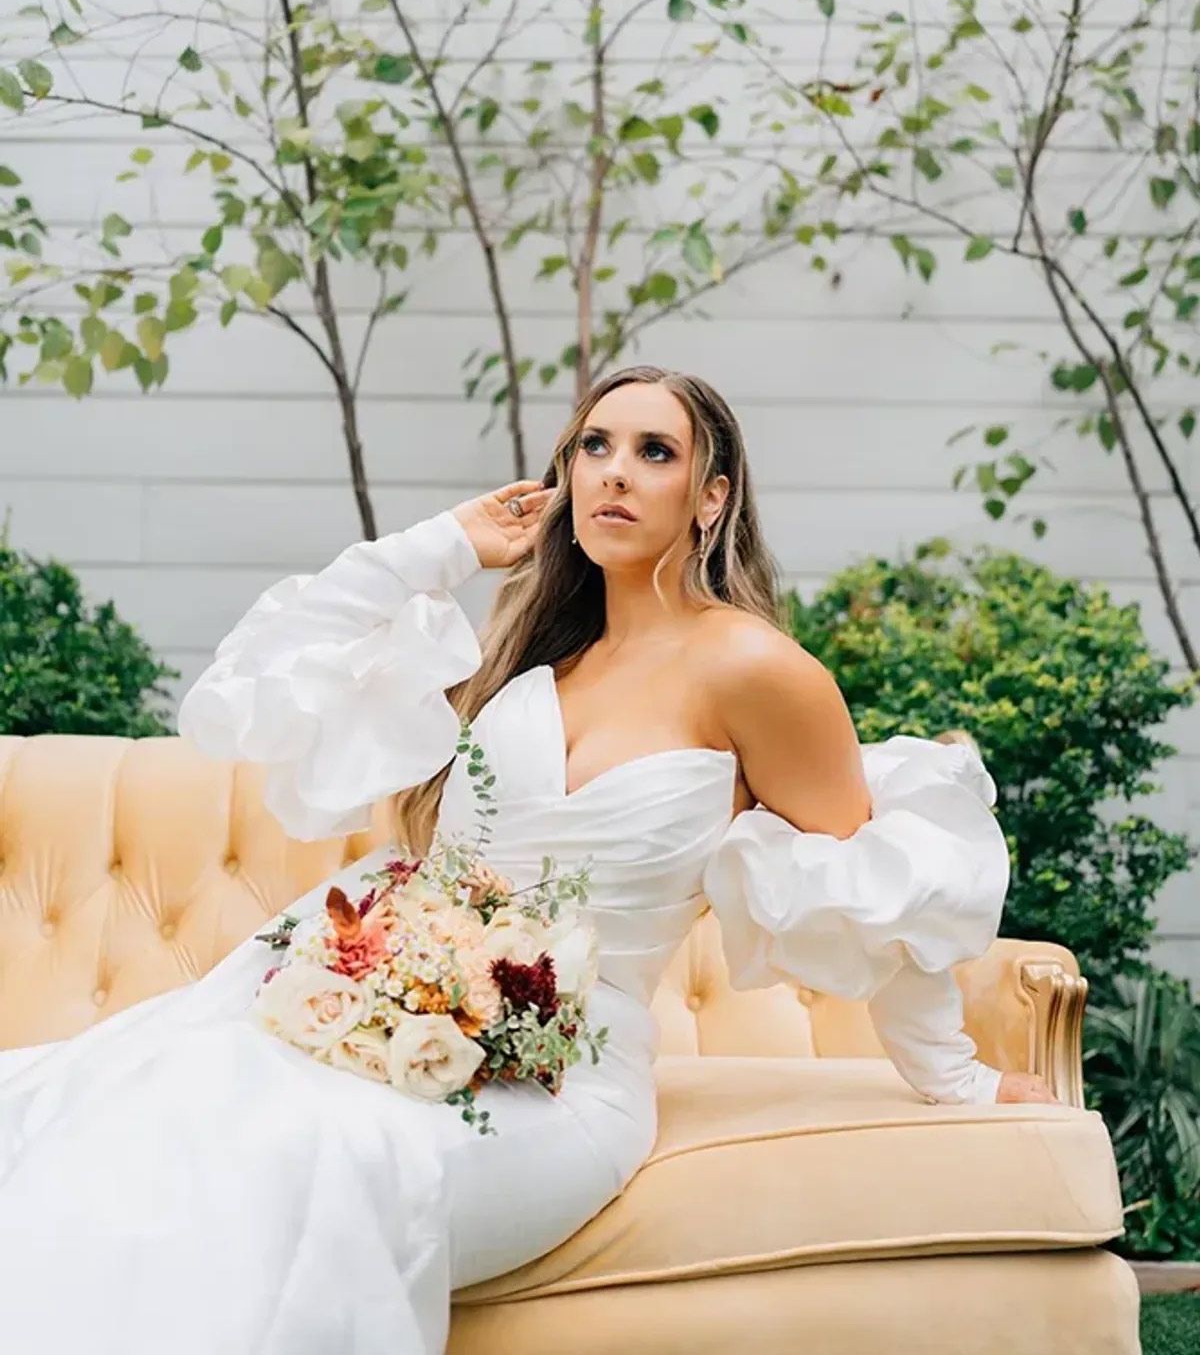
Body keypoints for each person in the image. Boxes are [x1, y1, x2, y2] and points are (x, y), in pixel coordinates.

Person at [0, 364, 1057, 1354]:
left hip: (561, 1083)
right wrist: (443, 546)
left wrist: (957, 1077)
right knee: (154, 1108)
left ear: (712, 498)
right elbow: (258, 677)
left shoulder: (758, 670)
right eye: (594, 444)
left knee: (313, 1157)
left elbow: (876, 882)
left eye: (654, 450)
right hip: (380, 1025)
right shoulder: (530, 660)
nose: (614, 471)